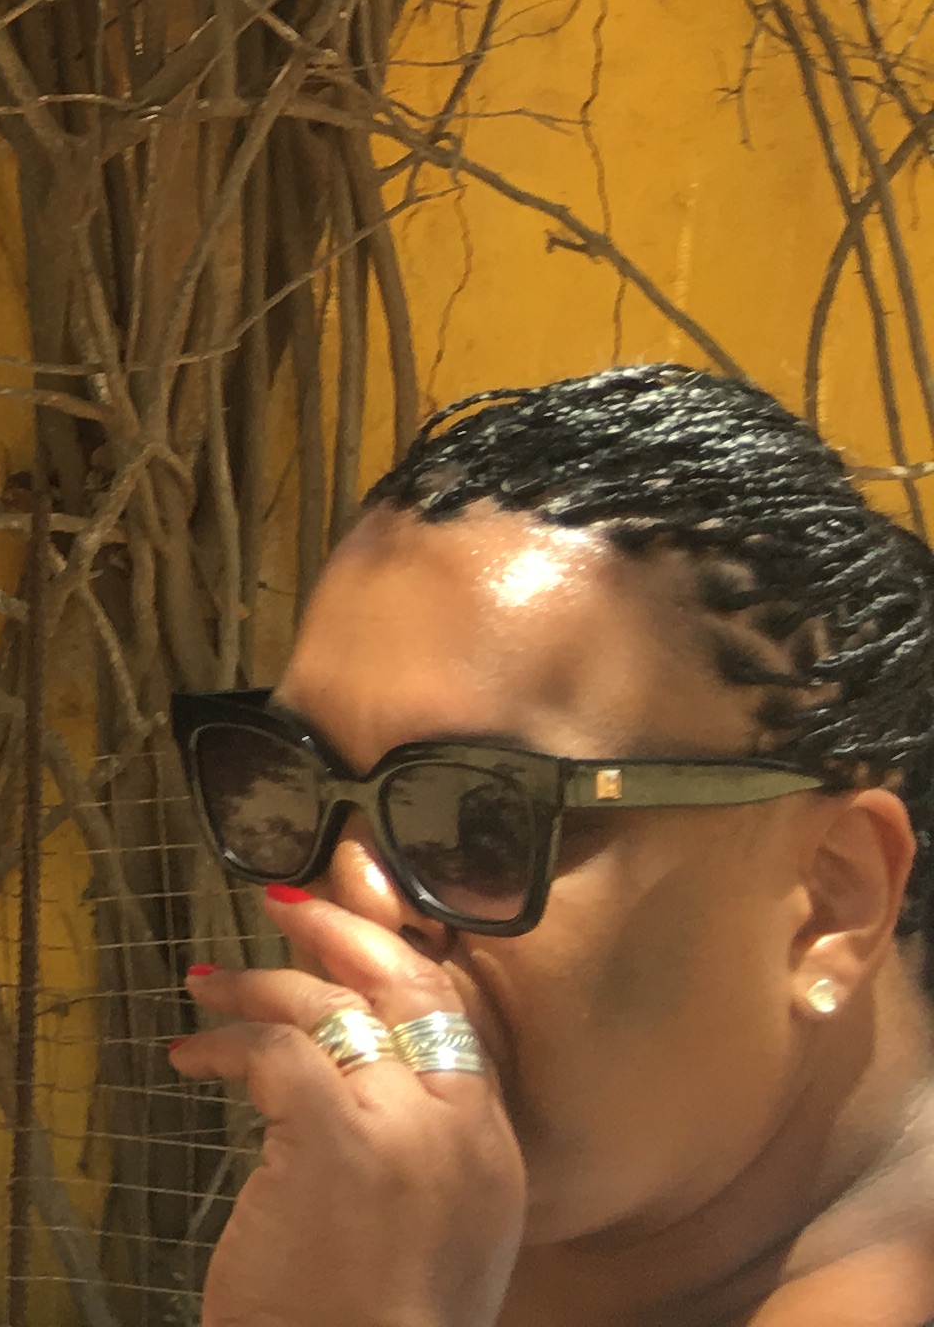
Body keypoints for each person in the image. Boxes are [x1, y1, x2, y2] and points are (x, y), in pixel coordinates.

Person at [169, 363, 934, 1326]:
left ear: (830, 900)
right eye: (287, 779)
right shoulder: (441, 1245)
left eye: (480, 818)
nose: (354, 898)